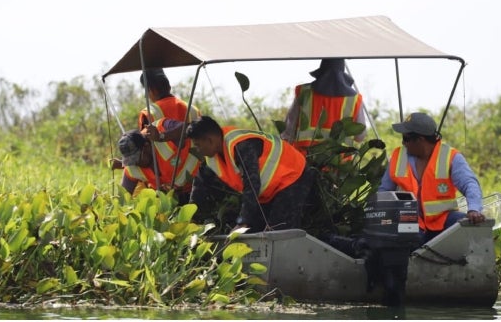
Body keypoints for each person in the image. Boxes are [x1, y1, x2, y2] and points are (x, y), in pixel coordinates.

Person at [185, 116, 314, 233]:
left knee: (278, 231)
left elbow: (252, 183)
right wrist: (189, 219)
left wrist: (242, 222)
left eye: (198, 145)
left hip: (293, 176)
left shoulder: (240, 145)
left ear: (209, 140)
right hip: (270, 190)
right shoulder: (211, 158)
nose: (197, 150)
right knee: (256, 231)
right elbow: (199, 185)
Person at [379, 112, 486, 244]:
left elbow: (469, 184)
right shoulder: (397, 156)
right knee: (408, 240)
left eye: (406, 139)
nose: (403, 143)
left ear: (420, 140)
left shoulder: (450, 156)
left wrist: (474, 209)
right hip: (410, 220)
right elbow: (383, 192)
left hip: (443, 219)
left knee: (465, 227)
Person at [281, 58, 366, 156]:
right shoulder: (354, 99)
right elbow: (360, 137)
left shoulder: (304, 92)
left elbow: (288, 131)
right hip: (339, 166)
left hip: (305, 162)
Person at [112, 118, 200, 205]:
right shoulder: (132, 166)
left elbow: (188, 127)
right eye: (131, 161)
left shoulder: (159, 129)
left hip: (202, 182)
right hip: (178, 198)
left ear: (146, 146)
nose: (136, 164)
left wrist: (161, 136)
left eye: (137, 159)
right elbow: (122, 201)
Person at [137, 67, 201, 130]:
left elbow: (143, 139)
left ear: (152, 90)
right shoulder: (194, 110)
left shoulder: (148, 114)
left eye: (146, 91)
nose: (146, 96)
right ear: (169, 87)